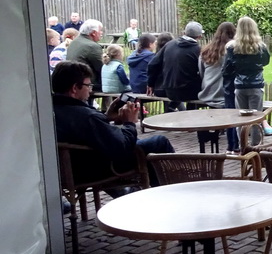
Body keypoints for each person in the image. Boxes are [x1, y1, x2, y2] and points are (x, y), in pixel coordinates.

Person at [51, 61, 174, 189]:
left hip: (67, 171)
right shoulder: (87, 117)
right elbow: (122, 148)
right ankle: (169, 190)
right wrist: (129, 123)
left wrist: (105, 118)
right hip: (97, 169)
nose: (90, 90)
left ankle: (139, 191)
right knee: (159, 142)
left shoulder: (49, 112)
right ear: (75, 88)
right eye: (88, 85)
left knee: (140, 144)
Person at [222, 16, 272, 136]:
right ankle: (255, 147)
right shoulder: (261, 47)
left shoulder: (232, 47)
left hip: (240, 85)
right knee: (256, 118)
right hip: (256, 85)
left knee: (241, 119)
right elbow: (265, 61)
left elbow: (226, 70)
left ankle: (242, 146)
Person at [198, 21, 240, 152]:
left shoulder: (206, 50)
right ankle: (235, 144)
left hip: (207, 92)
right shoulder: (233, 50)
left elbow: (201, 72)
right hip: (225, 93)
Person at [148, 22, 203, 111]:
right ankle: (192, 116)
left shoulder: (169, 44)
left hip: (169, 90)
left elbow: (152, 64)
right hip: (190, 92)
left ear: (184, 33)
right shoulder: (198, 50)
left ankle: (173, 109)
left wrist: (150, 84)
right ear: (200, 36)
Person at [146, 32, 174, 101]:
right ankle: (172, 109)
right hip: (172, 89)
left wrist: (150, 84)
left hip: (159, 89)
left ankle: (170, 109)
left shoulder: (156, 56)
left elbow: (151, 67)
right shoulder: (173, 56)